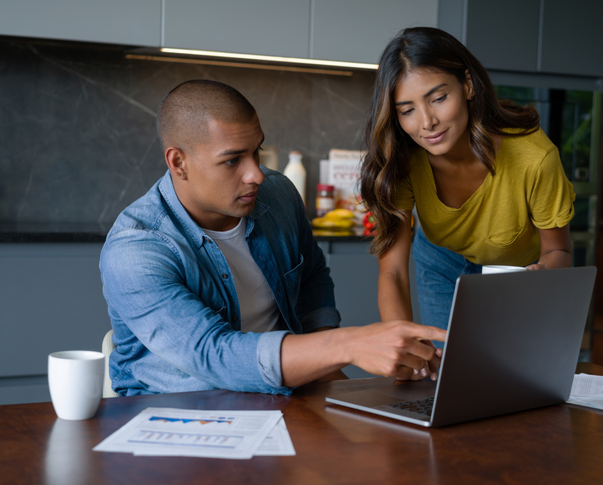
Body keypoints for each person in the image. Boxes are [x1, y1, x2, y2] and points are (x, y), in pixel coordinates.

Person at [100, 79, 445, 396]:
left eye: (257, 152)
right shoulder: (135, 249)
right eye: (232, 160)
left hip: (285, 392)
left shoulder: (278, 194)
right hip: (174, 410)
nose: (256, 175)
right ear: (179, 162)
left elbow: (312, 276)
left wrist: (322, 357)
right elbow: (213, 355)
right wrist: (348, 345)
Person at [360, 27, 575, 337]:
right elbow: (392, 272)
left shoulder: (534, 158)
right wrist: (401, 341)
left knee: (507, 372)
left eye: (438, 98)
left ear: (468, 86)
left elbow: (560, 252)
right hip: (440, 261)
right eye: (407, 110)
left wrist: (537, 277)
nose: (426, 122)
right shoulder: (401, 160)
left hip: (514, 274)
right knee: (448, 370)